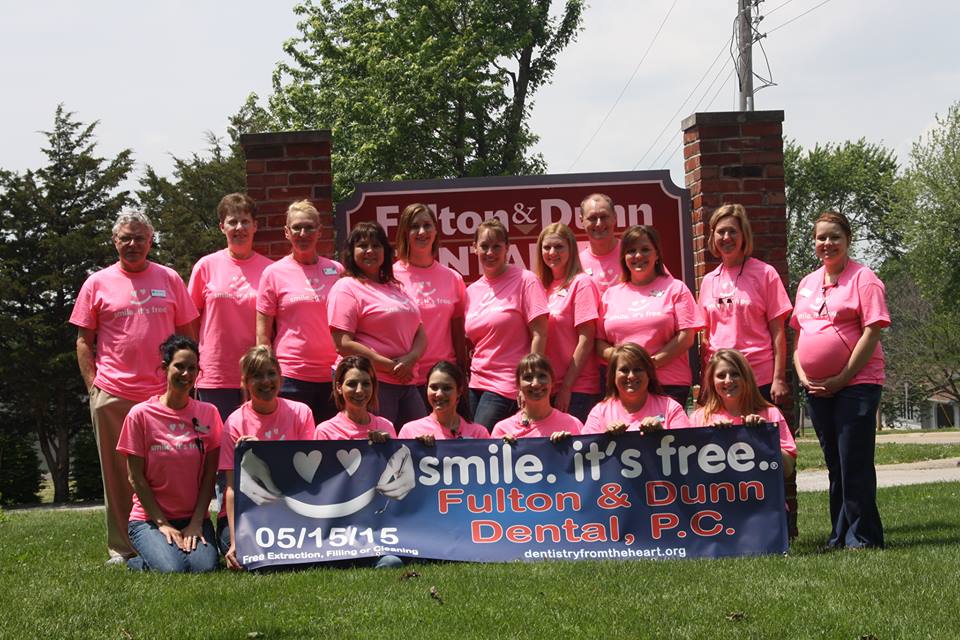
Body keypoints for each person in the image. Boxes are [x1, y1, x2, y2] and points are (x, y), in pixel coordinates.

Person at [70, 210, 198, 564]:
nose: (132, 244)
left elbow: (188, 335)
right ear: (115, 241)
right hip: (113, 394)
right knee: (117, 475)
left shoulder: (169, 278)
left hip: (163, 396)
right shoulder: (97, 283)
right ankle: (122, 548)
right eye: (125, 237)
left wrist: (186, 384)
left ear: (150, 241)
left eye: (139, 238)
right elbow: (83, 341)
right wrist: (94, 388)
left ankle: (168, 538)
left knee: (167, 472)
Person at [792, 211, 889, 550]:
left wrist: (843, 376)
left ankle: (863, 537)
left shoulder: (864, 279)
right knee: (836, 464)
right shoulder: (807, 284)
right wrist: (803, 375)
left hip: (857, 383)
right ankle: (839, 536)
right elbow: (799, 335)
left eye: (835, 236)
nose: (827, 243)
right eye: (821, 237)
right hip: (817, 388)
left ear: (848, 239)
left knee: (854, 462)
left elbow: (872, 331)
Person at [116, 335, 221, 573]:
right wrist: (162, 523)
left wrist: (197, 522)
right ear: (165, 368)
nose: (186, 374)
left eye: (192, 368)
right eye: (179, 366)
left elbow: (209, 475)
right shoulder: (140, 415)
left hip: (193, 518)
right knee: (172, 570)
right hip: (149, 519)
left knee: (204, 568)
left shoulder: (209, 413)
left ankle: (161, 554)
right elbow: (135, 477)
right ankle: (139, 561)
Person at [218, 345, 316, 570]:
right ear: (245, 382)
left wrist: (265, 450)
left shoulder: (301, 413)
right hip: (246, 513)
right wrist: (235, 541)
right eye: (257, 375)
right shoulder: (235, 422)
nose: (266, 381)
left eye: (271, 373)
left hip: (289, 508)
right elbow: (231, 489)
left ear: (281, 377)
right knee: (252, 556)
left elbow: (307, 475)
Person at [328, 222, 428, 427]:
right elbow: (343, 344)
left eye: (376, 245)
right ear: (351, 252)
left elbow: (420, 331)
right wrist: (391, 367)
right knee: (379, 441)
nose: (370, 251)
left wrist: (411, 359)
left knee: (419, 439)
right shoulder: (346, 287)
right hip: (372, 383)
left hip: (407, 380)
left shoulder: (396, 286)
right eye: (362, 246)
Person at [596, 225, 704, 407]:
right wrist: (625, 362)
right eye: (631, 251)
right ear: (623, 257)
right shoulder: (610, 295)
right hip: (624, 385)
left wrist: (650, 364)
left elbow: (686, 337)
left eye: (645, 249)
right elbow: (599, 343)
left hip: (668, 384)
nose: (638, 256)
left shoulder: (676, 288)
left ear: (657, 254)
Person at [188, 193, 273, 421]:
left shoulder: (270, 270)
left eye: (245, 221)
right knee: (216, 438)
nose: (239, 228)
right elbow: (190, 321)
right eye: (232, 222)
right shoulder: (205, 266)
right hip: (215, 373)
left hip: (258, 373)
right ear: (222, 227)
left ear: (255, 226)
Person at [256, 200, 343, 423]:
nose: (303, 234)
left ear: (319, 231)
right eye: (296, 228)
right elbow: (263, 336)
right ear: (286, 232)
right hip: (291, 376)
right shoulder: (273, 273)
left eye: (309, 227)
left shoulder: (337, 271)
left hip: (333, 376)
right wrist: (267, 374)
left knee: (330, 442)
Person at [698, 204, 792, 404]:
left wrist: (779, 378)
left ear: (744, 235)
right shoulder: (708, 281)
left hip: (758, 378)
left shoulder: (765, 274)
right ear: (713, 236)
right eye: (721, 232)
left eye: (733, 231)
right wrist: (705, 381)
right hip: (721, 380)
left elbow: (778, 332)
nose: (726, 237)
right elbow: (706, 339)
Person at [465, 219, 549, 429]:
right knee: (473, 440)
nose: (490, 252)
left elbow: (539, 334)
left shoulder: (525, 280)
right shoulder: (471, 291)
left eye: (496, 246)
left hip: (507, 383)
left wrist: (527, 382)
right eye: (484, 246)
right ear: (474, 248)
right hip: (475, 382)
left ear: (507, 248)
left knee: (482, 438)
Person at [392, 203, 468, 400]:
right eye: (414, 226)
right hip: (405, 378)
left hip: (444, 378)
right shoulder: (390, 277)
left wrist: (462, 372)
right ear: (405, 232)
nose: (421, 232)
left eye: (427, 225)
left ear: (435, 231)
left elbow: (458, 332)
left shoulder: (453, 278)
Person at [534, 223, 601, 422]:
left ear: (571, 249)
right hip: (548, 387)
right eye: (547, 247)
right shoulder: (541, 286)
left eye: (559, 247)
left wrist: (566, 387)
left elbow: (586, 340)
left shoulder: (581, 283)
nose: (552, 252)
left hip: (578, 388)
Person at [690, 349, 797, 474]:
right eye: (721, 376)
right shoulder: (699, 417)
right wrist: (711, 437)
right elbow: (689, 467)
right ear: (711, 381)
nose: (728, 380)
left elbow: (788, 469)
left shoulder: (771, 414)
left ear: (746, 377)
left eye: (735, 374)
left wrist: (762, 435)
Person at [582, 343, 689, 434]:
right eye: (624, 370)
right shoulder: (599, 412)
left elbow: (686, 445)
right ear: (613, 375)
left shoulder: (670, 408)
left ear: (649, 374)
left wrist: (662, 435)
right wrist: (604, 438)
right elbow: (586, 448)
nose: (631, 376)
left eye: (638, 370)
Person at [491, 353, 582, 442]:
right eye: (528, 377)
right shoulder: (503, 429)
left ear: (553, 381)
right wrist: (502, 447)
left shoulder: (573, 424)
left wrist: (568, 446)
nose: (536, 384)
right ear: (518, 385)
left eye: (542, 376)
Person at [398, 361, 489, 443]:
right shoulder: (410, 431)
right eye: (434, 387)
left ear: (459, 391)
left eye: (447, 388)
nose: (439, 394)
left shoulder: (478, 434)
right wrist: (417, 448)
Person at [314, 356, 396, 442]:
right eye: (352, 384)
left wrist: (387, 445)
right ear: (339, 387)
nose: (359, 391)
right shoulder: (325, 431)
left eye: (366, 384)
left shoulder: (386, 426)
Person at [577, 193, 621, 295]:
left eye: (604, 216)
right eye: (592, 218)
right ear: (582, 221)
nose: (599, 224)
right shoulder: (576, 264)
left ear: (615, 217)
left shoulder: (632, 254)